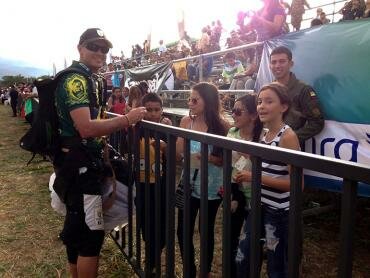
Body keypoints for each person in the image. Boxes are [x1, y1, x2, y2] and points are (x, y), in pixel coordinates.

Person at [54, 28, 146, 278]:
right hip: (80, 166)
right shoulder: (76, 80)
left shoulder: (90, 78)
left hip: (79, 162)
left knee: (78, 228)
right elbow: (85, 128)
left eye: (104, 49)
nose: (100, 52)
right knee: (90, 237)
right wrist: (127, 119)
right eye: (94, 46)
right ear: (80, 48)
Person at [235, 82, 301, 277]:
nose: (261, 106)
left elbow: (297, 184)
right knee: (243, 257)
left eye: (269, 101)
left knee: (277, 266)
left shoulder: (287, 137)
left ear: (284, 106)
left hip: (278, 214)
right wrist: (250, 157)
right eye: (259, 101)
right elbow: (271, 166)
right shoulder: (264, 134)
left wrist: (255, 177)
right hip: (259, 207)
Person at [176, 83, 229, 277]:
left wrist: (207, 158)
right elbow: (177, 155)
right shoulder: (185, 122)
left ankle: (204, 272)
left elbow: (225, 161)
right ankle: (189, 272)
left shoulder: (222, 125)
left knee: (205, 231)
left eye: (195, 99)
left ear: (208, 101)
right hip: (188, 184)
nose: (190, 103)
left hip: (212, 187)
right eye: (189, 99)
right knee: (182, 231)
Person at [227, 93, 263, 277]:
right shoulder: (232, 133)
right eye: (232, 110)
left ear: (253, 115)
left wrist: (251, 156)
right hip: (237, 193)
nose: (233, 114)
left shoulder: (264, 138)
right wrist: (233, 194)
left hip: (259, 197)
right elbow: (231, 167)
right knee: (231, 238)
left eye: (238, 111)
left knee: (253, 243)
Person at [136, 93, 172, 276]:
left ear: (162, 111)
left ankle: (154, 257)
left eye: (156, 110)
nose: (152, 114)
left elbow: (176, 157)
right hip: (142, 185)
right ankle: (150, 259)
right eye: (148, 109)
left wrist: (167, 146)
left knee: (161, 223)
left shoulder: (167, 129)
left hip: (161, 184)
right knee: (145, 223)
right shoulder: (136, 128)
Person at [269, 46, 324, 144]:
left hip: (289, 149)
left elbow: (317, 123)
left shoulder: (304, 89)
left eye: (282, 61)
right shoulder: (269, 89)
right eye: (273, 62)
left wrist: (291, 138)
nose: (277, 65)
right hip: (268, 142)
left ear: (291, 64)